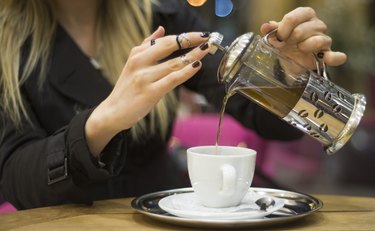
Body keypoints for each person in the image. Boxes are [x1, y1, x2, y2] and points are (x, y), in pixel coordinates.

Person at [0, 0, 347, 209]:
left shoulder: (164, 15)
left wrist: (284, 77)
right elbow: (14, 176)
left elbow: (259, 114)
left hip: (166, 211)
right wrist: (102, 122)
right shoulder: (8, 44)